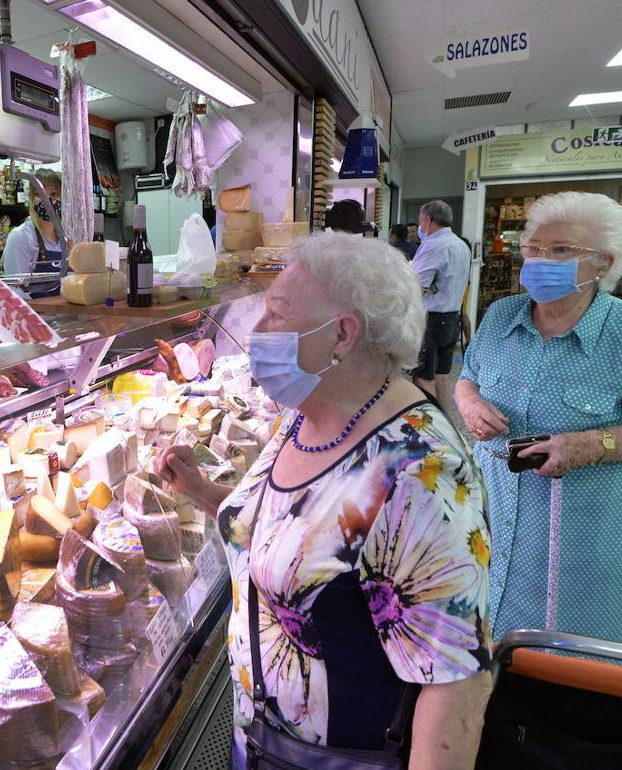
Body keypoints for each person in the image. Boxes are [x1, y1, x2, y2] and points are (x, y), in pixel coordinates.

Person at [156, 232, 493, 769]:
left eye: (275, 313)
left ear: (341, 334)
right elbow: (298, 525)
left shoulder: (417, 473)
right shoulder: (309, 411)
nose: (256, 330)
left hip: (336, 756)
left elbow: (455, 682)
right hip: (263, 740)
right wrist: (201, 491)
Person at [455, 191, 622, 643]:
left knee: (573, 650)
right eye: (534, 249)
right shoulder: (502, 315)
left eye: (561, 250)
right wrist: (468, 401)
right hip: (491, 504)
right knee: (482, 632)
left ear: (603, 262)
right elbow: (469, 376)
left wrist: (589, 445)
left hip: (581, 526)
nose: (540, 260)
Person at [411, 201, 471, 409]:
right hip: (451, 318)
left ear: (427, 220)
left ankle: (429, 429)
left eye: (420, 221)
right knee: (442, 376)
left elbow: (416, 285)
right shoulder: (460, 244)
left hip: (432, 320)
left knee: (423, 378)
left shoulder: (434, 245)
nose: (420, 226)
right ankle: (446, 422)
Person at [2, 169, 65, 297]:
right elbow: (17, 292)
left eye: (54, 194)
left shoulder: (66, 236)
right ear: (31, 197)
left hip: (65, 314)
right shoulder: (20, 237)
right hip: (37, 314)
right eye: (39, 194)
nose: (47, 200)